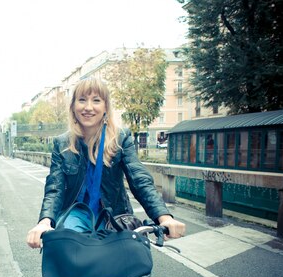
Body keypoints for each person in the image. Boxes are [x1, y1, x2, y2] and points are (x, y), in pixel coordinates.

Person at [26, 77, 185, 249]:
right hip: (75, 217)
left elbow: (139, 179)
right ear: (73, 107)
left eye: (96, 100)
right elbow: (55, 188)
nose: (88, 107)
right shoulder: (62, 144)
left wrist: (164, 217)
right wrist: (44, 222)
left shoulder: (121, 138)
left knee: (125, 268)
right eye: (82, 100)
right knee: (71, 258)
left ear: (105, 107)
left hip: (114, 218)